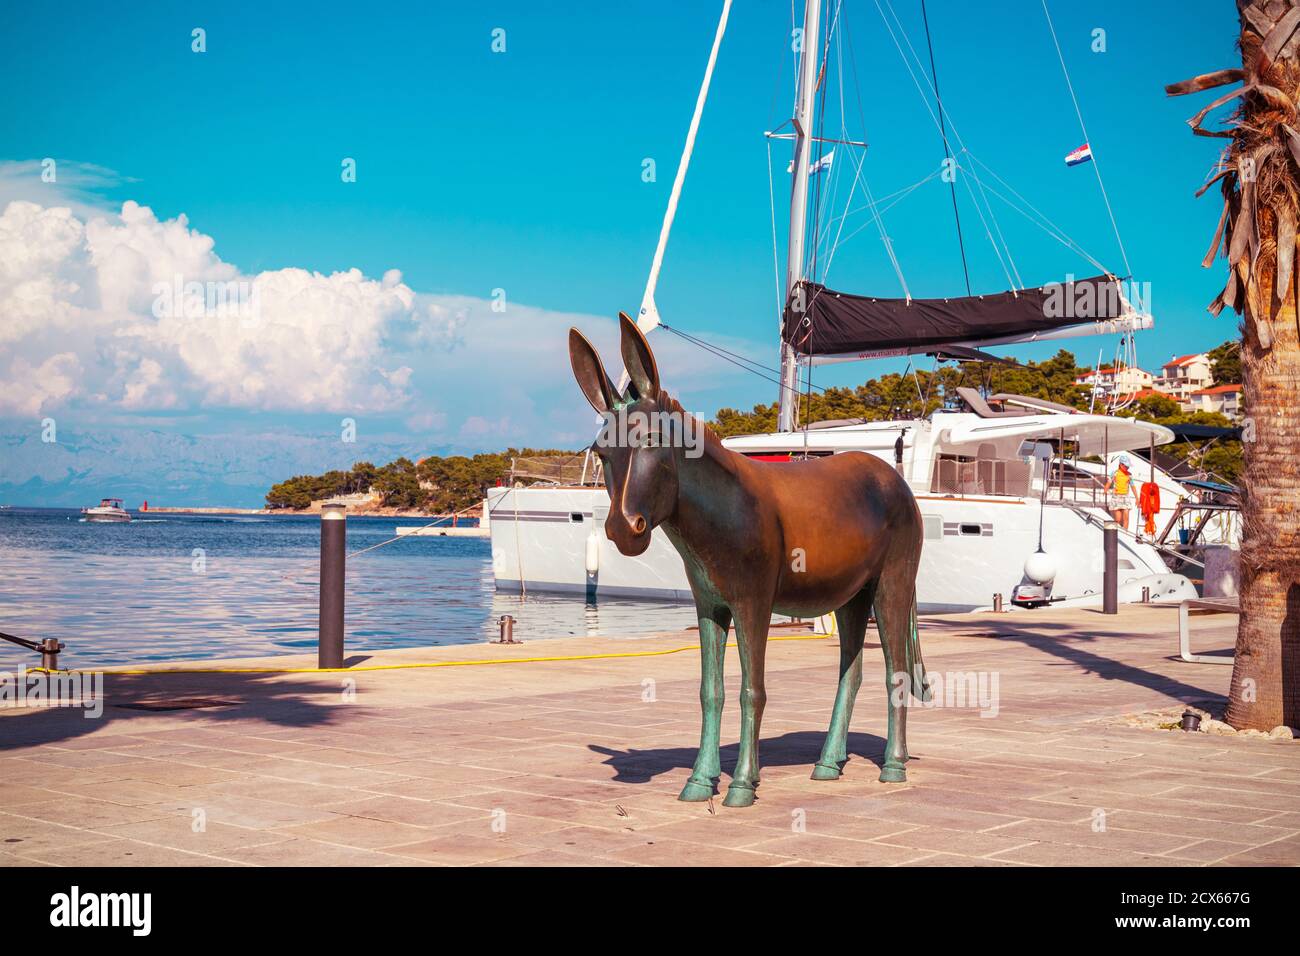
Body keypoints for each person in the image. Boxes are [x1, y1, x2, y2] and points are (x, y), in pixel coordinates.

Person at [1104, 453, 1137, 533]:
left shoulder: (1129, 475)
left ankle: (1125, 534)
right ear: (1121, 464)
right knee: (1118, 519)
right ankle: (1116, 535)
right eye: (1126, 466)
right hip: (1116, 497)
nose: (1127, 467)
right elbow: (1109, 482)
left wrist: (1137, 497)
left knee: (1126, 517)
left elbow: (1132, 486)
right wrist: (1105, 490)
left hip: (1125, 497)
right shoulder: (1114, 473)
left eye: (1128, 466)